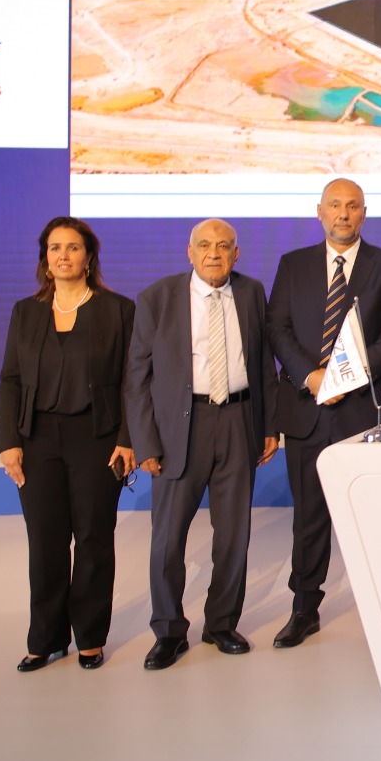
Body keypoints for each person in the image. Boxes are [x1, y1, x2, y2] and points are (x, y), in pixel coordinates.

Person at [267, 178, 381, 649]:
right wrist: (312, 378)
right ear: (320, 211)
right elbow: (278, 328)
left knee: (375, 516)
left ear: (363, 213)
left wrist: (345, 377)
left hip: (365, 410)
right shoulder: (293, 264)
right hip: (308, 408)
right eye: (335, 205)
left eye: (352, 206)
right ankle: (304, 609)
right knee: (309, 517)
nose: (343, 214)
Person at [126, 219, 278, 670]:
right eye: (205, 245)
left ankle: (221, 623)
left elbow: (262, 363)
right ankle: (169, 631)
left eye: (224, 246)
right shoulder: (157, 298)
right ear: (189, 252)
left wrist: (269, 425)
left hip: (238, 420)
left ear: (237, 254)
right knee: (167, 539)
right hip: (179, 427)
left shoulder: (251, 293)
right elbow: (136, 377)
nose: (215, 253)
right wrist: (145, 442)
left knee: (233, 534)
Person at [0, 217, 136, 671]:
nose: (63, 255)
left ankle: (90, 637)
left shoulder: (118, 309)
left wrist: (127, 438)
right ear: (45, 258)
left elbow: (132, 381)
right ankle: (46, 639)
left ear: (88, 256)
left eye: (73, 247)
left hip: (97, 438)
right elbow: (11, 379)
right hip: (36, 439)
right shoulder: (26, 311)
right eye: (54, 247)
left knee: (94, 539)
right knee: (45, 542)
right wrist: (8, 441)